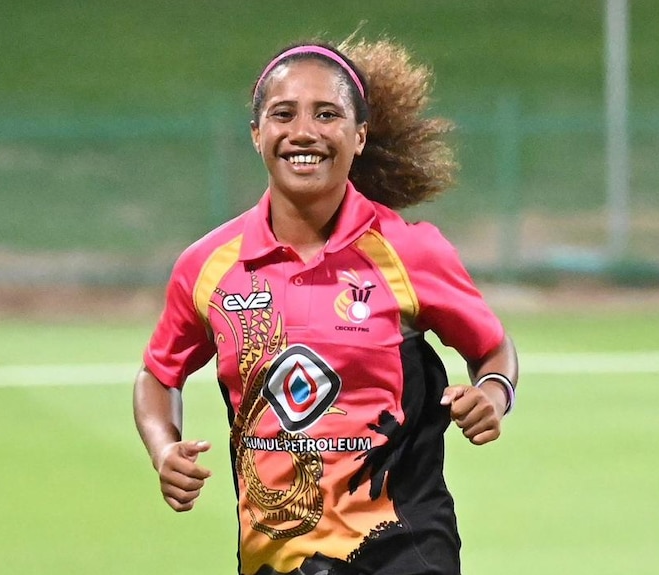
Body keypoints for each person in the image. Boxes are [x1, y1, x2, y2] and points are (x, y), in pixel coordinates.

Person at [133, 37, 519, 575]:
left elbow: (493, 349)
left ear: (359, 136)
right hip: (277, 557)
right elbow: (159, 373)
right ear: (257, 133)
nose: (303, 132)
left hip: (403, 546)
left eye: (327, 114)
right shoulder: (207, 266)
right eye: (283, 114)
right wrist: (163, 449)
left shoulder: (409, 250)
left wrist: (492, 395)